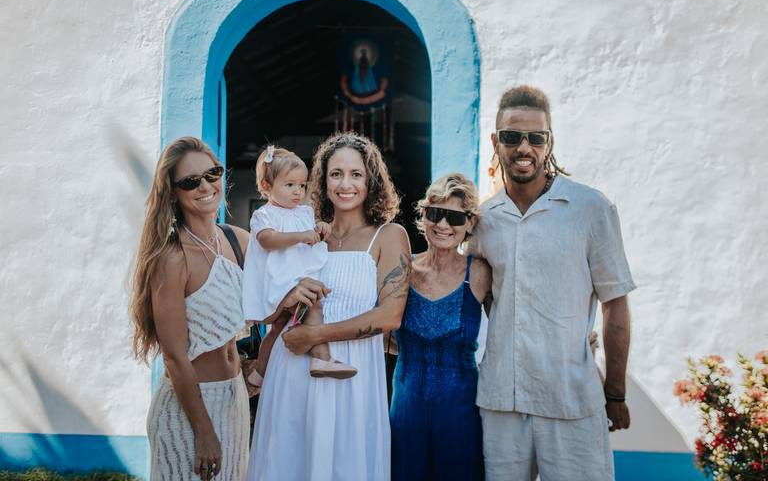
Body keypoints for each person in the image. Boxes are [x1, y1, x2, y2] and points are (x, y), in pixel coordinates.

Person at [471, 85, 635, 480]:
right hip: (502, 402)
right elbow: (482, 300)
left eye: (535, 137)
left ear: (550, 142)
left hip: (571, 398)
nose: (523, 147)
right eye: (512, 136)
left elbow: (615, 305)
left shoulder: (590, 208)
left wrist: (615, 392)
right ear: (495, 141)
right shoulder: (484, 219)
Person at [247, 132, 411, 481]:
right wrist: (289, 298)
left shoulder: (388, 235)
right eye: (336, 173)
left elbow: (390, 316)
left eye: (356, 174)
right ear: (323, 180)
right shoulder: (304, 232)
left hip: (352, 378)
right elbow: (265, 303)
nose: (345, 184)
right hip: (292, 372)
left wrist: (316, 335)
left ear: (371, 181)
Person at [129, 137, 250, 480]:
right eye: (190, 182)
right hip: (191, 411)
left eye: (212, 174)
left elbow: (280, 296)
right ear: (172, 193)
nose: (205, 186)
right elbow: (174, 357)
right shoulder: (172, 259)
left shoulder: (237, 240)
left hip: (235, 398)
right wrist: (204, 432)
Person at [390, 173, 491, 481]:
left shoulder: (480, 272)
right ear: (424, 215)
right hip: (407, 407)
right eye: (435, 213)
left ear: (470, 223)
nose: (443, 225)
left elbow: (513, 323)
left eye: (455, 217)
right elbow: (379, 329)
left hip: (461, 411)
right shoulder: (404, 268)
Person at [241, 145, 357, 381]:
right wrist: (301, 236)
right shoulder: (264, 215)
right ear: (266, 186)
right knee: (313, 306)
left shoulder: (304, 212)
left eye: (302, 185)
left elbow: (312, 232)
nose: (298, 191)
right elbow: (267, 240)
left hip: (296, 276)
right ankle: (322, 359)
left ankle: (259, 374)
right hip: (281, 279)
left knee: (278, 328)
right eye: (290, 185)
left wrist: (320, 227)